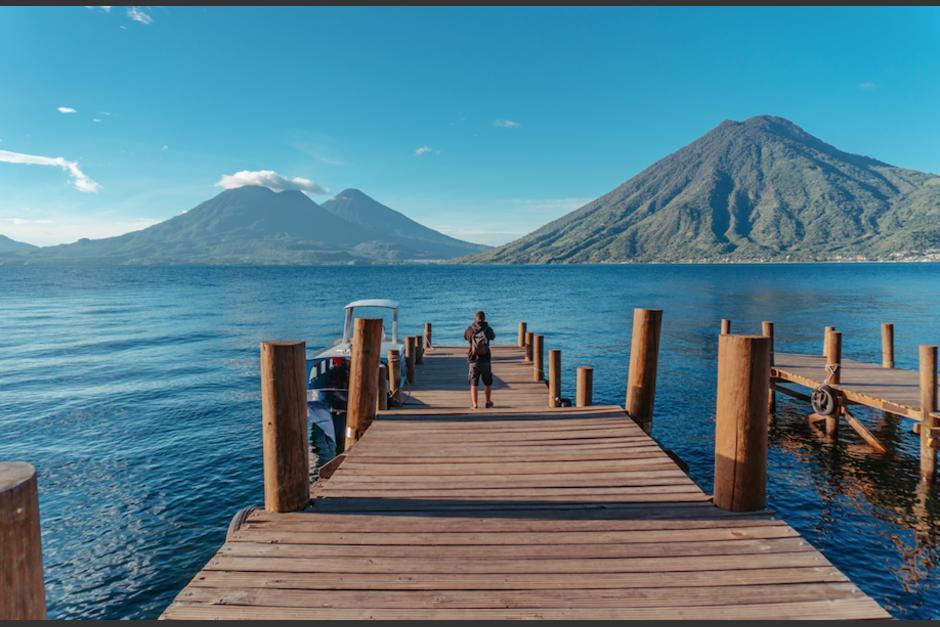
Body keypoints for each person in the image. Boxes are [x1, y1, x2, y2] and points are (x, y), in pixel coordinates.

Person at [464, 310, 496, 409]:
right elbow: (493, 337)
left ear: (475, 318)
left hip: (474, 360)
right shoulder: (488, 329)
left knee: (474, 383)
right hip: (485, 359)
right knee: (487, 382)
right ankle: (487, 401)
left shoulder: (470, 329)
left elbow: (465, 337)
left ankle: (475, 404)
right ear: (484, 318)